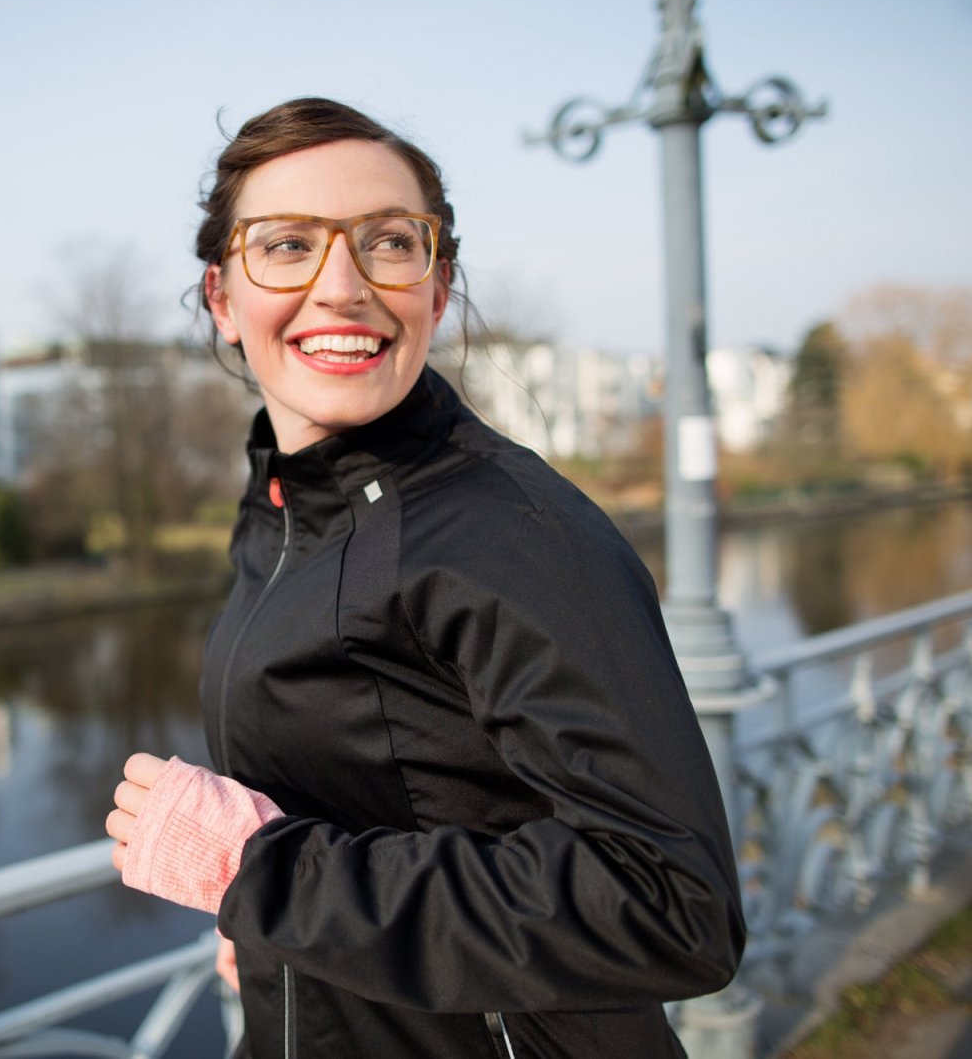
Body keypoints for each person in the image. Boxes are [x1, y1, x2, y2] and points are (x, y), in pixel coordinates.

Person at [105, 96, 745, 1058]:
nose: (342, 287)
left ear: (437, 290)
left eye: (389, 243)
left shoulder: (513, 533)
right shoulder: (283, 512)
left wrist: (258, 872)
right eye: (287, 245)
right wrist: (281, 948)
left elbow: (670, 903)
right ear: (222, 298)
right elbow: (371, 817)